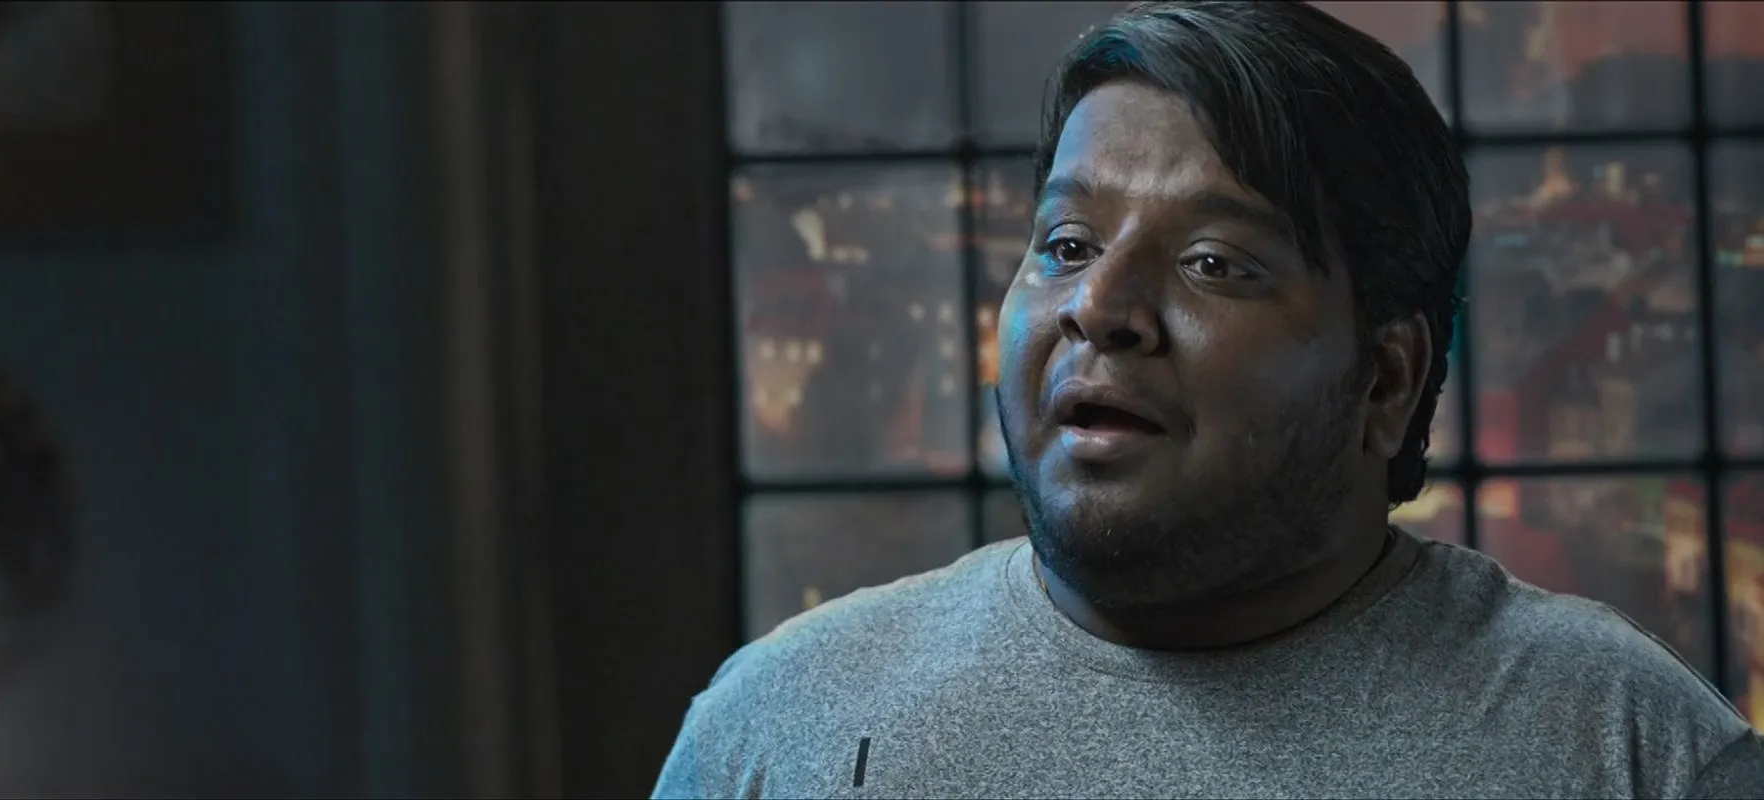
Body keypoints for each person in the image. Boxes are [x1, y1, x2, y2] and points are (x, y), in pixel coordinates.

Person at [654, 2, 1764, 797]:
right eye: (1067, 243)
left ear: (1383, 380)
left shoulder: (1629, 749)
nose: (1099, 306)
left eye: (1213, 263)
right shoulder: (775, 730)